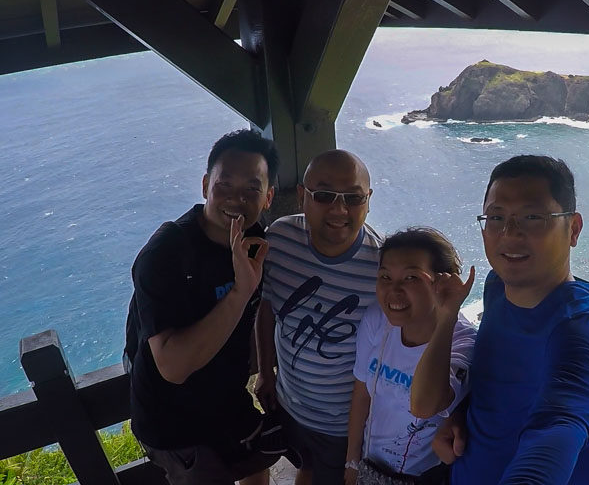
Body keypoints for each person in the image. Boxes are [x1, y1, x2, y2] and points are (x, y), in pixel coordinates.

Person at [433, 155, 589, 484]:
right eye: (496, 217)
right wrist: (461, 413)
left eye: (532, 217)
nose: (509, 233)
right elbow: (497, 380)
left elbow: (559, 424)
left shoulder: (579, 327)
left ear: (573, 229)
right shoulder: (496, 287)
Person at [127, 129, 281, 485]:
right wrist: (240, 293)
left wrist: (267, 372)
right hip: (176, 423)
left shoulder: (258, 241)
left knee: (257, 470)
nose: (235, 199)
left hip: (228, 402)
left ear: (269, 196)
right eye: (224, 185)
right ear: (204, 186)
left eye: (251, 189)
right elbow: (173, 367)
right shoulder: (166, 253)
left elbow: (264, 308)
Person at [255, 149, 382, 485]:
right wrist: (266, 371)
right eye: (324, 195)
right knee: (305, 468)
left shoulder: (383, 268)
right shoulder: (280, 240)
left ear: (368, 200)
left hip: (340, 426)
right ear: (302, 196)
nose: (339, 210)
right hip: (287, 404)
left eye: (353, 198)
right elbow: (267, 307)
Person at [346, 228, 477, 485]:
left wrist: (447, 313)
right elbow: (361, 393)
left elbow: (425, 406)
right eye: (385, 276)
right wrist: (352, 462)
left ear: (442, 282)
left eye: (411, 278)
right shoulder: (376, 319)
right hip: (369, 467)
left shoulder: (464, 342)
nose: (393, 291)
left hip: (423, 478)